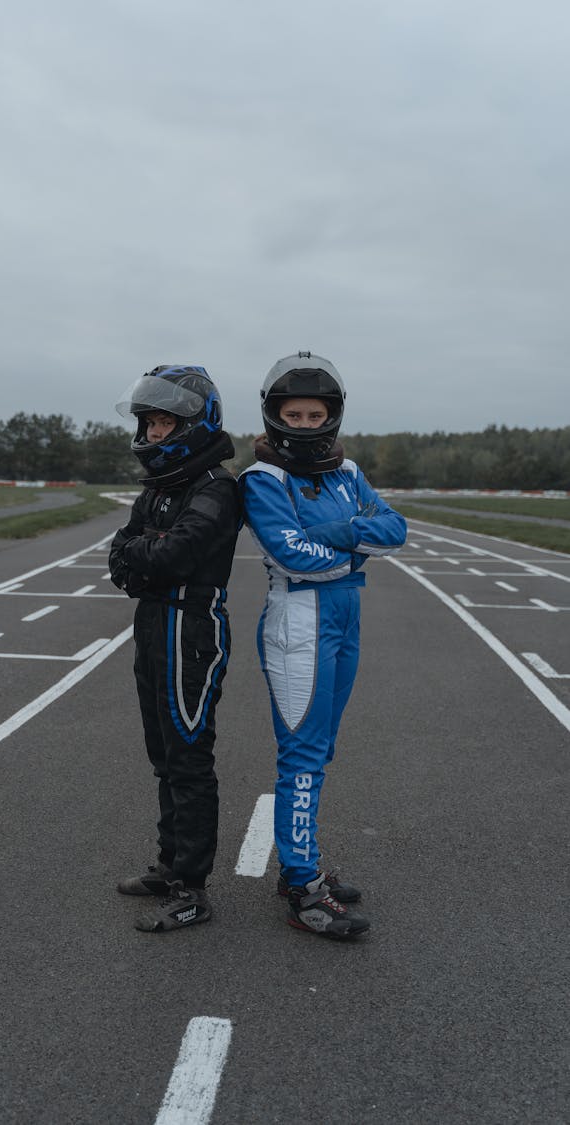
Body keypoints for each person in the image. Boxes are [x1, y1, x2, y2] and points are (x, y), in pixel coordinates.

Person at [239, 351, 407, 939]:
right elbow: (291, 556)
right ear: (275, 415)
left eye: (316, 414)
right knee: (303, 757)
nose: (307, 424)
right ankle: (303, 887)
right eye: (296, 413)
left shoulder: (347, 470)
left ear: (331, 416)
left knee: (323, 750)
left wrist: (335, 535)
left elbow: (395, 529)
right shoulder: (262, 479)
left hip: (345, 618)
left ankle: (301, 867)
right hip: (299, 622)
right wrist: (352, 549)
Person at [109, 364, 240, 933]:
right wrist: (145, 553)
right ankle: (169, 865)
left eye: (164, 424)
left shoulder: (216, 487)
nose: (154, 434)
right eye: (150, 423)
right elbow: (120, 557)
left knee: (188, 758)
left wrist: (146, 553)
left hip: (193, 630)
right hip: (153, 623)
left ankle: (193, 887)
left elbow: (170, 557)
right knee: (162, 756)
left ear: (191, 423)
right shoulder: (161, 489)